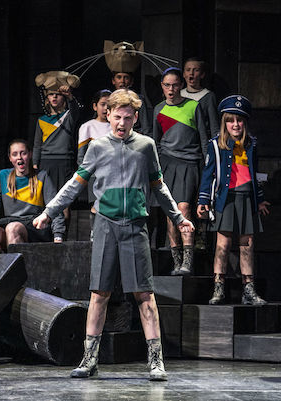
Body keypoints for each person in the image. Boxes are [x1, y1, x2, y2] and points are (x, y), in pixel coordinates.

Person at [32, 89, 194, 381]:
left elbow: (159, 186)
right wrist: (49, 212)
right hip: (106, 225)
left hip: (135, 226)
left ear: (135, 118)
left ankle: (156, 361)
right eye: (117, 117)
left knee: (144, 295)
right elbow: (74, 184)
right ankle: (90, 358)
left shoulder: (145, 146)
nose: (122, 123)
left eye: (127, 118)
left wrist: (178, 218)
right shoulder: (97, 147)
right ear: (107, 115)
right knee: (99, 293)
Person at [197, 95, 270, 305]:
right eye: (231, 121)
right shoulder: (216, 145)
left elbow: (254, 175)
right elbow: (208, 173)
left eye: (239, 120)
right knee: (223, 244)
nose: (235, 124)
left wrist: (260, 199)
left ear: (245, 122)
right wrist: (203, 199)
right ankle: (218, 287)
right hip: (225, 199)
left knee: (247, 244)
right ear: (224, 123)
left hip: (246, 199)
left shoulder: (251, 144)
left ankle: (249, 290)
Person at [153, 67, 209, 275]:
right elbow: (156, 142)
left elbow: (204, 140)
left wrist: (208, 170)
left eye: (175, 85)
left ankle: (187, 262)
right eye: (167, 85)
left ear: (181, 86)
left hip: (189, 163)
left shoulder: (193, 106)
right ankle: (176, 262)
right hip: (168, 164)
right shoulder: (158, 109)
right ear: (162, 86)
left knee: (183, 209)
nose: (171, 89)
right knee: (170, 214)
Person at [0, 140, 64, 254]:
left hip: (34, 225)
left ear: (30, 154)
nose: (19, 157)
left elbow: (55, 207)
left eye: (23, 153)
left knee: (13, 228)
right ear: (10, 158)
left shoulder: (41, 176)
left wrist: (58, 235)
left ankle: (18, 266)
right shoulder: (3, 176)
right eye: (15, 154)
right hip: (9, 222)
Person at [32, 71, 82, 232]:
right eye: (51, 94)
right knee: (47, 202)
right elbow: (37, 145)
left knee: (64, 201)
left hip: (64, 163)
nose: (54, 97)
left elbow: (76, 110)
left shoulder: (68, 116)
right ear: (46, 98)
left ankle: (62, 236)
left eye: (58, 94)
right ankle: (49, 235)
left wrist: (70, 97)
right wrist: (35, 164)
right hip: (45, 164)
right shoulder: (41, 120)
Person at [77, 89, 111, 240]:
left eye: (109, 105)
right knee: (96, 206)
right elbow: (81, 156)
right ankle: (94, 235)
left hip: (113, 174)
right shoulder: (87, 127)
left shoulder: (116, 125)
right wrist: (86, 175)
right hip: (94, 175)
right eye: (102, 104)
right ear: (94, 106)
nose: (105, 108)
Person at [181, 57, 220, 136]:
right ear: (184, 74)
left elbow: (214, 125)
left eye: (196, 70)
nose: (191, 73)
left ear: (202, 75)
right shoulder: (179, 94)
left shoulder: (208, 96)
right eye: (188, 70)